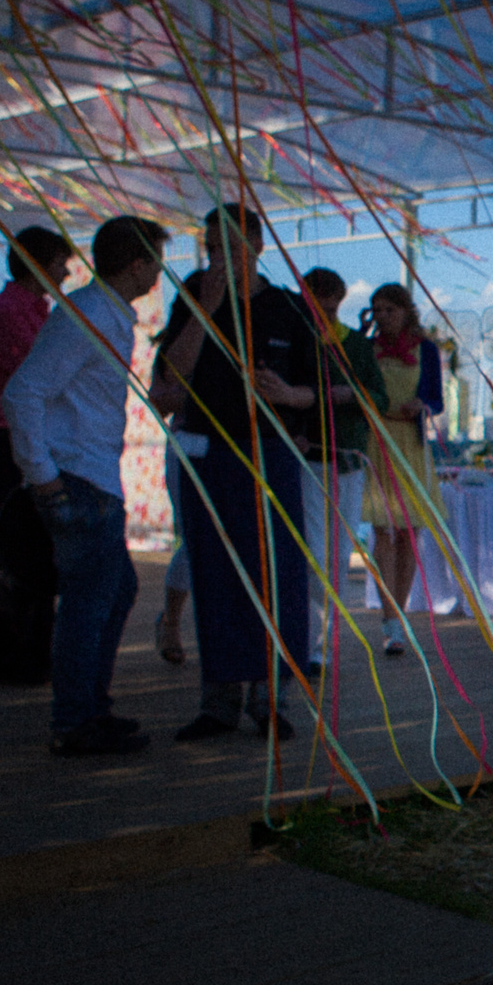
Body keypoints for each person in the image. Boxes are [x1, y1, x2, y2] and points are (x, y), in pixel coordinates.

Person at [0, 215, 168, 755]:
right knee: (89, 602)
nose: (161, 271)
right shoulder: (88, 315)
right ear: (139, 263)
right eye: (157, 260)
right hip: (77, 478)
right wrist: (43, 478)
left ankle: (91, 707)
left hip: (96, 477)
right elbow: (22, 392)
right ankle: (75, 719)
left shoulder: (106, 314)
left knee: (115, 592)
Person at [153, 205, 321, 740]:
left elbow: (324, 389)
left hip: (270, 454)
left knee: (277, 577)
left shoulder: (290, 310)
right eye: (209, 246)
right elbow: (169, 377)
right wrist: (206, 305)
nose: (218, 256)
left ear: (256, 245)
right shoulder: (195, 298)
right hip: (211, 455)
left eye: (228, 245)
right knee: (216, 573)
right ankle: (218, 699)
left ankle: (271, 696)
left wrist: (289, 395)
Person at [0, 224, 74, 684]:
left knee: (36, 551)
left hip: (25, 437)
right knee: (20, 556)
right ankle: (19, 658)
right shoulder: (12, 313)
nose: (67, 271)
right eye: (59, 262)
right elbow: (35, 379)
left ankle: (36, 652)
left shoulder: (33, 309)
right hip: (13, 438)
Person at [299, 268, 387, 667]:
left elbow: (379, 398)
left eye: (333, 300)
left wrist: (349, 393)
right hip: (309, 460)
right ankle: (310, 641)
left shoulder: (355, 344)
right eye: (319, 300)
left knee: (338, 554)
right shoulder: (301, 339)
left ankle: (324, 643)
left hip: (350, 462)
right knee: (314, 552)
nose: (327, 308)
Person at [362, 282, 443, 657]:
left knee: (410, 533)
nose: (382, 317)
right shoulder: (368, 350)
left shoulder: (426, 350)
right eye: (376, 310)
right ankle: (388, 618)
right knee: (383, 532)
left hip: (410, 443)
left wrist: (421, 404)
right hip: (378, 442)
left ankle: (400, 616)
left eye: (388, 310)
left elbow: (436, 399)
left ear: (406, 311)